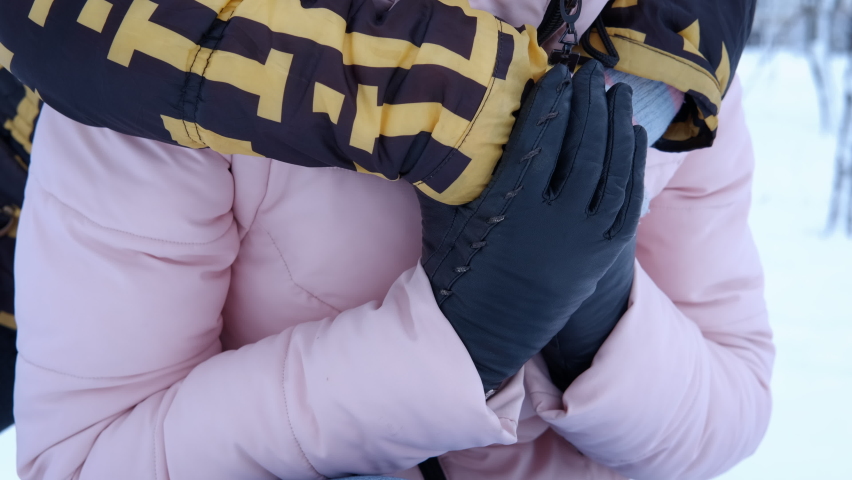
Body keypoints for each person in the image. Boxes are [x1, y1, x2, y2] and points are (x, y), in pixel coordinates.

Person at [4, 0, 772, 479]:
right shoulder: (160, 50)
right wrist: (455, 344)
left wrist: (600, 316)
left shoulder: (670, 57)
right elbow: (82, 458)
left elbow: (735, 401)